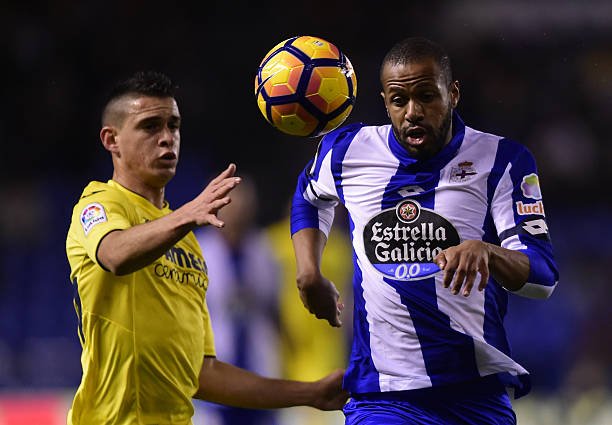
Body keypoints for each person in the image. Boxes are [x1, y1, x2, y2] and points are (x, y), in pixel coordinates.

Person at [290, 37, 559, 424]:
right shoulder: (346, 151)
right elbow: (309, 195)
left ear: (453, 94)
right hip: (383, 397)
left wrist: (488, 251)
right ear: (385, 102)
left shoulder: (503, 160)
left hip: (475, 394)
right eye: (399, 100)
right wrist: (309, 272)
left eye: (427, 97)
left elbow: (542, 278)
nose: (413, 112)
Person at [65, 70, 347, 425]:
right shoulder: (99, 204)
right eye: (150, 127)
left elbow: (201, 372)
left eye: (174, 125)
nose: (167, 138)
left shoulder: (188, 244)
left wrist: (309, 393)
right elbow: (115, 254)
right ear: (112, 140)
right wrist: (187, 214)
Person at [193, 177, 282, 425]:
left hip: (258, 364)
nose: (237, 214)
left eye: (244, 207)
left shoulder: (263, 249)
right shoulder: (199, 249)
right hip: (214, 365)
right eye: (232, 207)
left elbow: (273, 307)